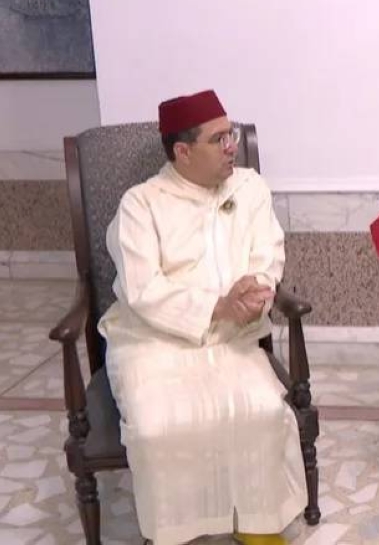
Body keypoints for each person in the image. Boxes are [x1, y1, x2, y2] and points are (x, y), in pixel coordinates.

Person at [98, 89, 306, 545]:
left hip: (231, 336)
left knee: (262, 410)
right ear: (183, 151)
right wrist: (216, 305)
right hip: (152, 342)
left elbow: (267, 253)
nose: (232, 147)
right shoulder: (141, 204)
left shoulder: (250, 188)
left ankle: (257, 525)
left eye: (231, 135)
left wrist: (255, 293)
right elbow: (141, 289)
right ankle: (177, 533)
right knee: (156, 427)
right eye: (218, 139)